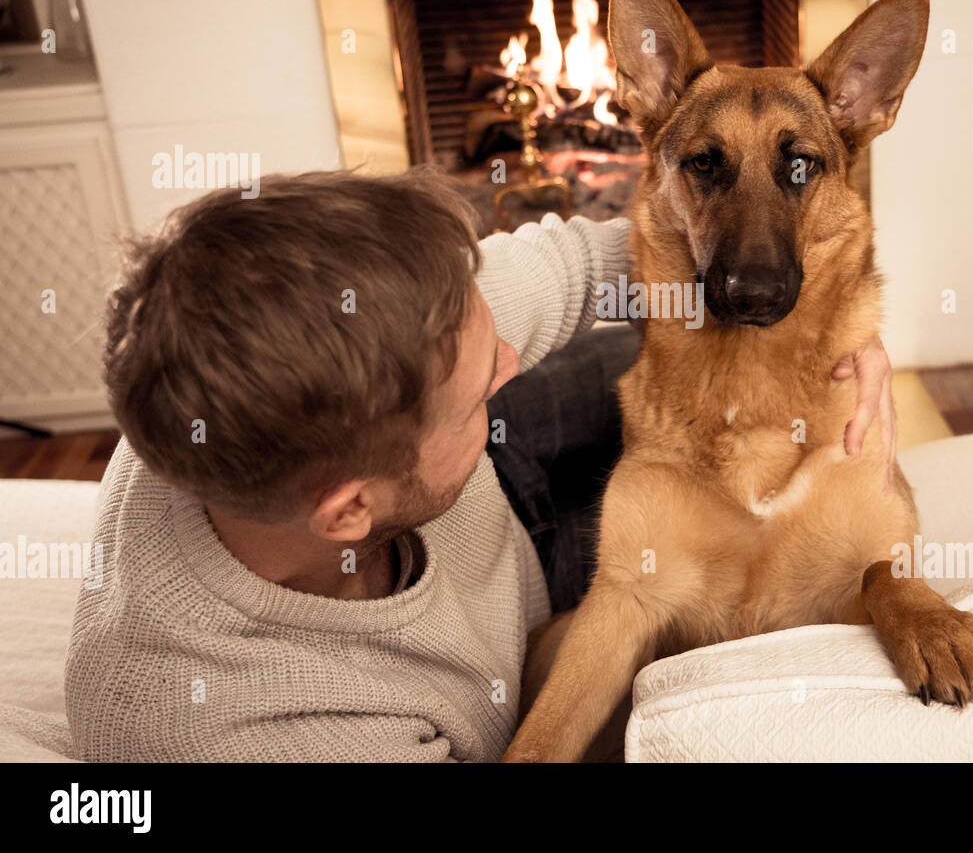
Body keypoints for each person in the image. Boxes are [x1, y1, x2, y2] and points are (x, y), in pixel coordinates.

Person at [65, 167, 897, 762]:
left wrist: (829, 336)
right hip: (523, 621)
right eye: (473, 391)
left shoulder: (320, 334)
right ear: (349, 511)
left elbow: (589, 264)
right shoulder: (237, 730)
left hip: (487, 480)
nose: (509, 359)